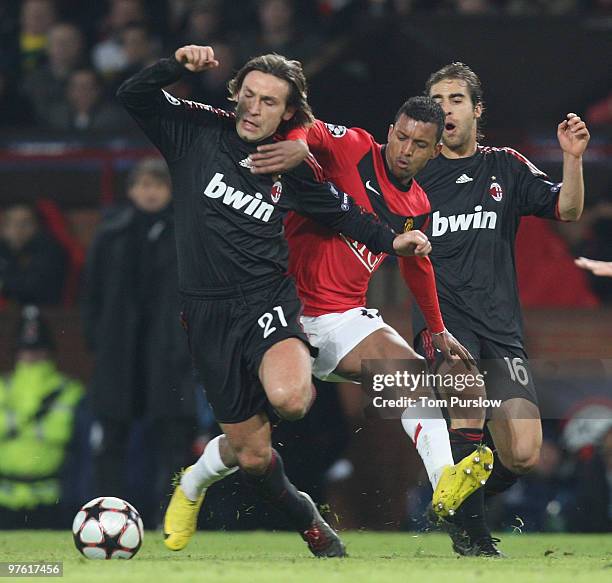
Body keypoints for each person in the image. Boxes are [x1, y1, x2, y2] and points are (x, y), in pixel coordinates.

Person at [117, 44, 426, 557]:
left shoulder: (288, 163)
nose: (254, 109)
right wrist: (177, 66)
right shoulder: (194, 131)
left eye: (269, 102)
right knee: (255, 458)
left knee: (293, 399)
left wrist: (391, 241)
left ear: (288, 113)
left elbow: (343, 213)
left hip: (268, 300)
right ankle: (308, 521)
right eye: (250, 96)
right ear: (236, 94)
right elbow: (132, 95)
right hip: (207, 313)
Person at [248, 97, 494, 518]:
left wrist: (437, 329)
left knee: (412, 374)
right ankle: (194, 484)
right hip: (281, 308)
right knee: (248, 444)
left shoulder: (417, 206)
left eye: (419, 144)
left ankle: (443, 484)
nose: (405, 150)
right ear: (390, 130)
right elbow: (312, 127)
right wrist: (297, 143)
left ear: (435, 150)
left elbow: (417, 264)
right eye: (401, 137)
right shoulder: (356, 147)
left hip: (341, 319)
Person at [412, 62, 590, 555]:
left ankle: (450, 500)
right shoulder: (415, 171)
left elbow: (567, 209)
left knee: (524, 453)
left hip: (502, 330)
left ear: (476, 109)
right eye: (437, 101)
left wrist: (572, 158)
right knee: (467, 399)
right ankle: (472, 540)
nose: (445, 109)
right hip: (443, 324)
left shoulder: (505, 166)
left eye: (455, 99)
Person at [82, 158, 198, 527]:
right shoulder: (110, 233)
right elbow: (92, 294)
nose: (150, 192)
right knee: (111, 439)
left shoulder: (188, 233)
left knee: (173, 441)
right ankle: (106, 518)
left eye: (158, 185)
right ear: (131, 190)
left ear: (170, 190)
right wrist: (100, 342)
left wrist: (187, 345)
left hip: (169, 354)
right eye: (143, 185)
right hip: (119, 353)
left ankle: (170, 519)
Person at [0, 305, 84, 529]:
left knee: (52, 563)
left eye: (38, 349)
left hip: (50, 500)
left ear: (49, 351)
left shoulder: (70, 392)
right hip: (4, 499)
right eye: (25, 349)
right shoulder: (3, 388)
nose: (31, 356)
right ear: (16, 352)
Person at [0, 203, 67, 306]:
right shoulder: (3, 249)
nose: (18, 230)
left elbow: (32, 288)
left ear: (37, 227)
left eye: (26, 223)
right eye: (11, 223)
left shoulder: (50, 250)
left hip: (48, 314)